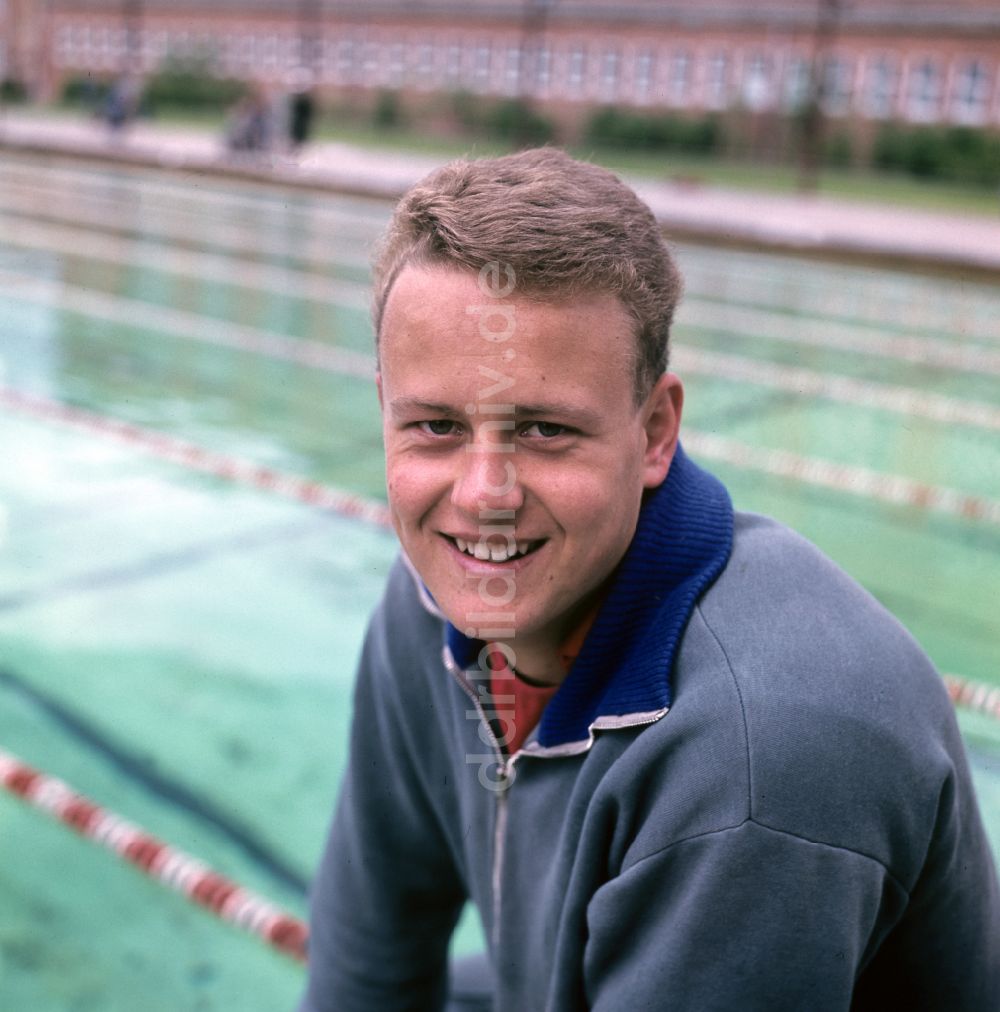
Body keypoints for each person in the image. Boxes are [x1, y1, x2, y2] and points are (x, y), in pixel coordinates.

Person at [297, 148, 1000, 1011]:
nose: (483, 495)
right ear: (383, 413)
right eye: (436, 425)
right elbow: (366, 965)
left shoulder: (757, 764)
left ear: (656, 431)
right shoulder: (426, 611)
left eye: (546, 430)